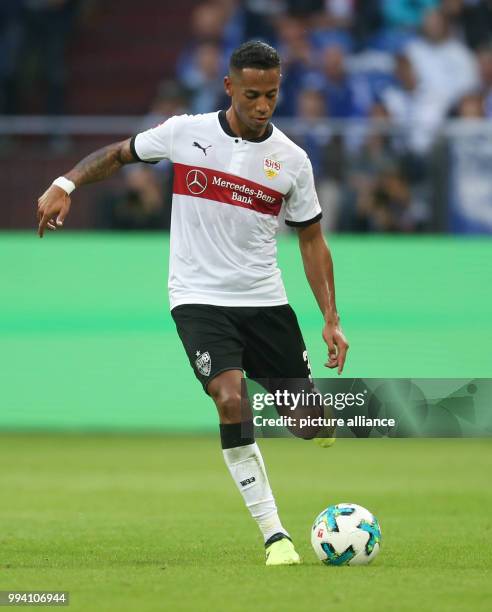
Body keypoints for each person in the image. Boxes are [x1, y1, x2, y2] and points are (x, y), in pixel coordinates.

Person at [36, 41, 349, 566]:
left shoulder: (292, 161)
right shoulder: (185, 132)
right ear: (229, 88)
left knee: (309, 420)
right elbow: (117, 154)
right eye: (252, 95)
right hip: (198, 298)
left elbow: (312, 240)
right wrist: (65, 182)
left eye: (271, 95)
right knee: (229, 398)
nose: (262, 106)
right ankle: (275, 536)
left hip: (264, 301)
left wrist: (331, 320)